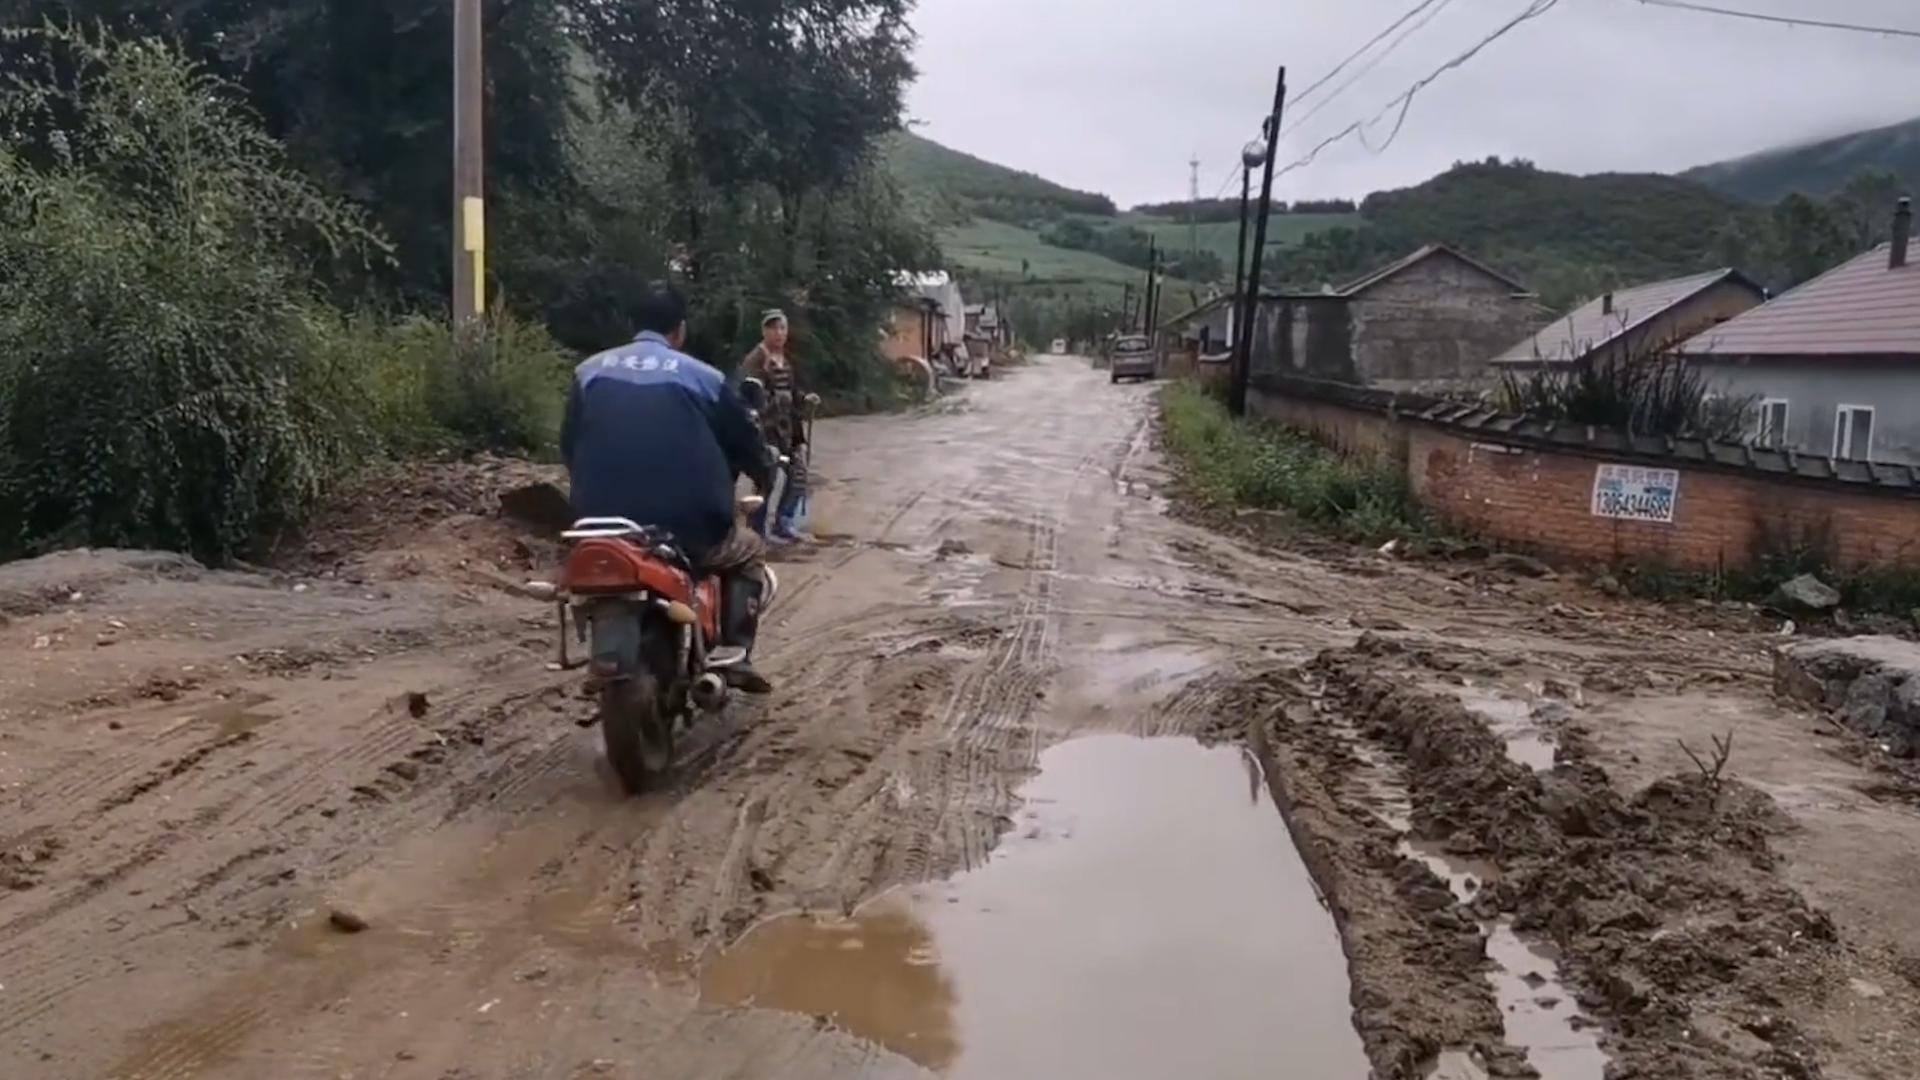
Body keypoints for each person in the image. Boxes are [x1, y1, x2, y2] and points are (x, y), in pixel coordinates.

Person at [560, 283, 776, 694]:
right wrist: (763, 473)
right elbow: (747, 446)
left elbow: (569, 446)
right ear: (680, 330)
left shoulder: (588, 372)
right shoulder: (705, 378)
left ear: (631, 324)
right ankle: (735, 654)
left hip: (599, 525)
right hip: (688, 527)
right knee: (748, 550)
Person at [737, 310, 817, 540]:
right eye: (774, 328)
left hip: (787, 427)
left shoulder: (786, 359)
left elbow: (792, 390)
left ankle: (784, 521)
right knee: (769, 476)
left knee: (797, 473)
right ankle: (757, 526)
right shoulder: (756, 359)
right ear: (764, 331)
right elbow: (748, 395)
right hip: (766, 427)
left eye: (782, 328)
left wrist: (805, 399)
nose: (779, 333)